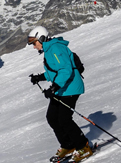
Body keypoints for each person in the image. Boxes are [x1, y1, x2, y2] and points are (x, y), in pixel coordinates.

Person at [28, 26, 93, 162]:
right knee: (52, 117)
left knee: (64, 119)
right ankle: (68, 145)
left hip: (71, 88)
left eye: (34, 43)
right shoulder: (49, 50)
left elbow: (65, 70)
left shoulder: (56, 48)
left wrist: (54, 87)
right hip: (62, 88)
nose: (34, 46)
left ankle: (83, 146)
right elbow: (55, 71)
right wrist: (39, 77)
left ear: (41, 38)